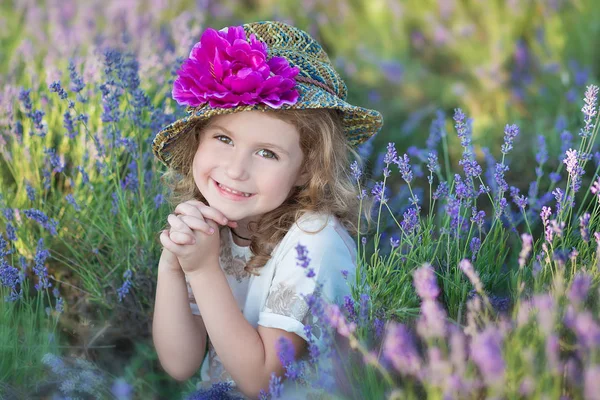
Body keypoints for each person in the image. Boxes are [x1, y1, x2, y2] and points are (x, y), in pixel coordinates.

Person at [151, 20, 383, 399]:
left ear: (307, 168)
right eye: (223, 138)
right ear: (197, 141)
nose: (235, 169)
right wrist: (173, 265)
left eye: (266, 153)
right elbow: (180, 364)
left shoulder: (314, 241)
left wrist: (203, 268)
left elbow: (263, 382)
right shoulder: (219, 225)